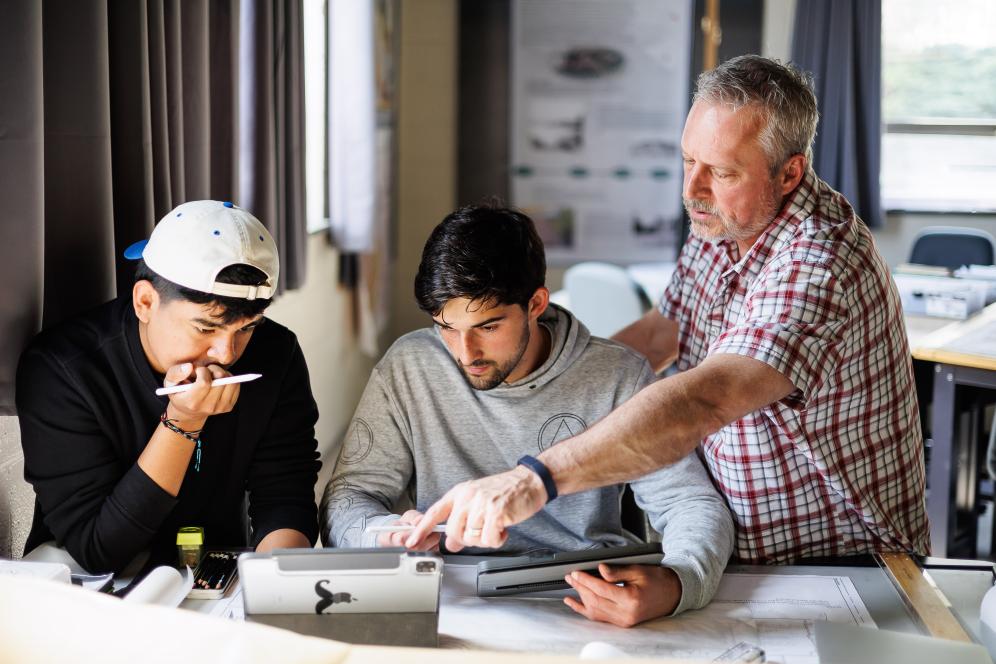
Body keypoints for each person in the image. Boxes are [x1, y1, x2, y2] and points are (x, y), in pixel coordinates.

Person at [407, 55, 930, 565]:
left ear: (789, 174)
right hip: (737, 545)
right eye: (688, 160)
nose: (692, 191)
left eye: (721, 172)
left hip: (843, 559)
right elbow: (663, 333)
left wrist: (534, 478)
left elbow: (707, 399)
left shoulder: (819, 262)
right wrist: (532, 404)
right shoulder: (726, 216)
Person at [321, 204, 733, 626]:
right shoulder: (408, 366)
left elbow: (689, 501)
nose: (466, 354)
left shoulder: (620, 375)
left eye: (488, 327)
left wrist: (679, 582)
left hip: (584, 596)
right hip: (453, 598)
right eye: (446, 327)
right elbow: (350, 496)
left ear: (535, 303)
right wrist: (381, 535)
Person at [17, 200, 321, 574]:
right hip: (87, 587)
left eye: (246, 328)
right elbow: (98, 549)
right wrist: (184, 421)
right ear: (145, 301)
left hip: (210, 571)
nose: (225, 352)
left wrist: (276, 583)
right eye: (206, 328)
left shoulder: (276, 352)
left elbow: (284, 492)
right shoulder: (63, 367)